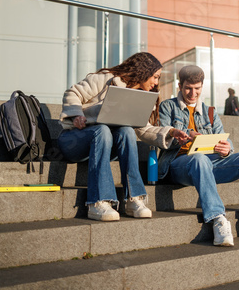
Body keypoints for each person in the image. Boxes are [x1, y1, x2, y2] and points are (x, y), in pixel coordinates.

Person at [158, 65, 239, 246]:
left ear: (202, 86)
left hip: (208, 163)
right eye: (188, 88)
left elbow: (222, 137)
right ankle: (218, 218)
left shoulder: (210, 112)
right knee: (199, 159)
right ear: (180, 85)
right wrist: (185, 135)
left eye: (197, 88)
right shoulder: (167, 106)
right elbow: (162, 137)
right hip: (177, 165)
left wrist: (228, 148)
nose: (192, 93)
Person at [58, 52, 184, 222]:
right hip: (74, 140)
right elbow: (72, 93)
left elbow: (143, 129)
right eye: (155, 77)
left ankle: (133, 199)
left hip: (104, 144)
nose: (156, 82)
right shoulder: (105, 79)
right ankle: (98, 202)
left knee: (126, 131)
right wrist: (76, 115)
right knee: (102, 130)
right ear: (143, 71)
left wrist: (170, 132)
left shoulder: (137, 97)